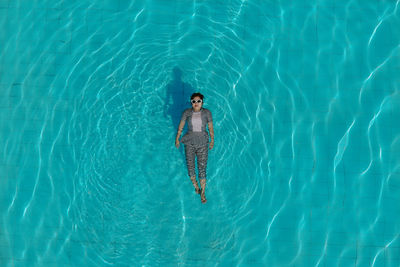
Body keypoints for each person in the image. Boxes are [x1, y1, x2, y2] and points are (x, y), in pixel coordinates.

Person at [175, 92, 214, 204]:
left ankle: (203, 193)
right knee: (190, 166)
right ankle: (196, 186)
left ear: (202, 102)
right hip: (189, 142)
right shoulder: (186, 113)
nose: (196, 103)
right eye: (194, 101)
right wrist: (177, 138)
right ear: (191, 102)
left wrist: (212, 140)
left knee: (202, 168)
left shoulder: (207, 113)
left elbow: (211, 128)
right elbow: (181, 127)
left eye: (198, 101)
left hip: (203, 142)